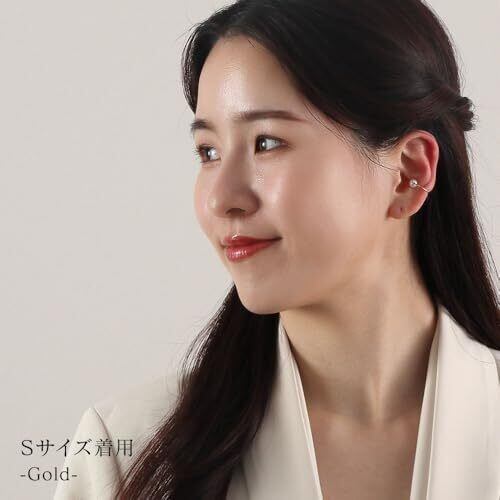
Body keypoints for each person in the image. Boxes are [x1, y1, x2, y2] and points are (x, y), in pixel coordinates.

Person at [53, 0, 500, 498]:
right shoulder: (128, 452)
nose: (221, 198)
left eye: (266, 143)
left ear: (408, 172)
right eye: (208, 152)